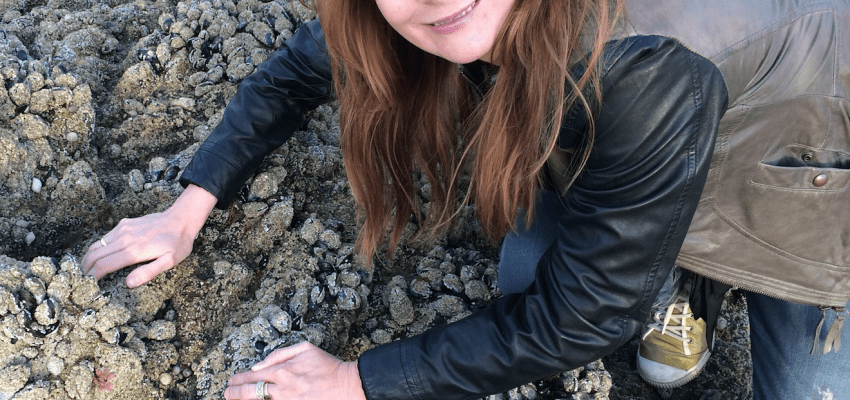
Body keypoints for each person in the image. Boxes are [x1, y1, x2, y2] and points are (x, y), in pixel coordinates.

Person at [81, 0, 850, 399]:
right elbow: (292, 75)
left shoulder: (641, 64)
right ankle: (671, 273)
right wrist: (188, 208)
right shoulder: (407, 15)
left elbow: (582, 317)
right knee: (527, 267)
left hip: (802, 175)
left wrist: (356, 382)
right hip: (653, 138)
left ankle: (695, 270)